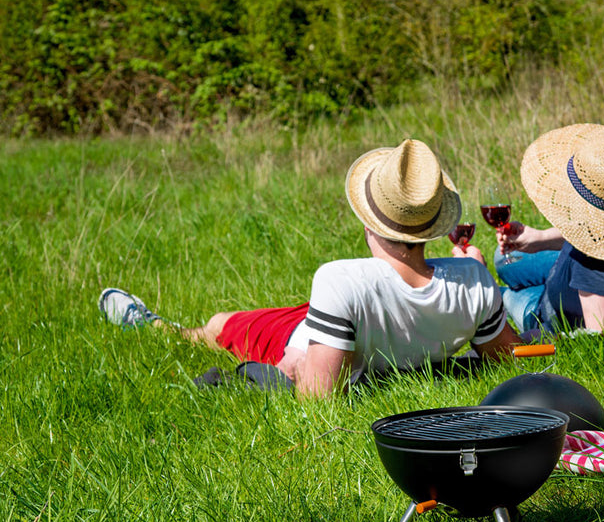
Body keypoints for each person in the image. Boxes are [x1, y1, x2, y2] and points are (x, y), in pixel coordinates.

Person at [99, 139, 521, 398]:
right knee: (284, 317)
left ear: (368, 218)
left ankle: (155, 327)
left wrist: (296, 367)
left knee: (220, 325)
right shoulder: (474, 280)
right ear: (432, 225)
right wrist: (478, 280)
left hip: (319, 327)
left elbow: (317, 399)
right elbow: (506, 361)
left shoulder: (339, 279)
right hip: (335, 316)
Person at [456, 123, 604, 339]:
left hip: (547, 306)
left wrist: (483, 289)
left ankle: (498, 293)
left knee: (505, 290)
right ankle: (507, 280)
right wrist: (541, 238)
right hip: (574, 276)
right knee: (503, 258)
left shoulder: (593, 263)